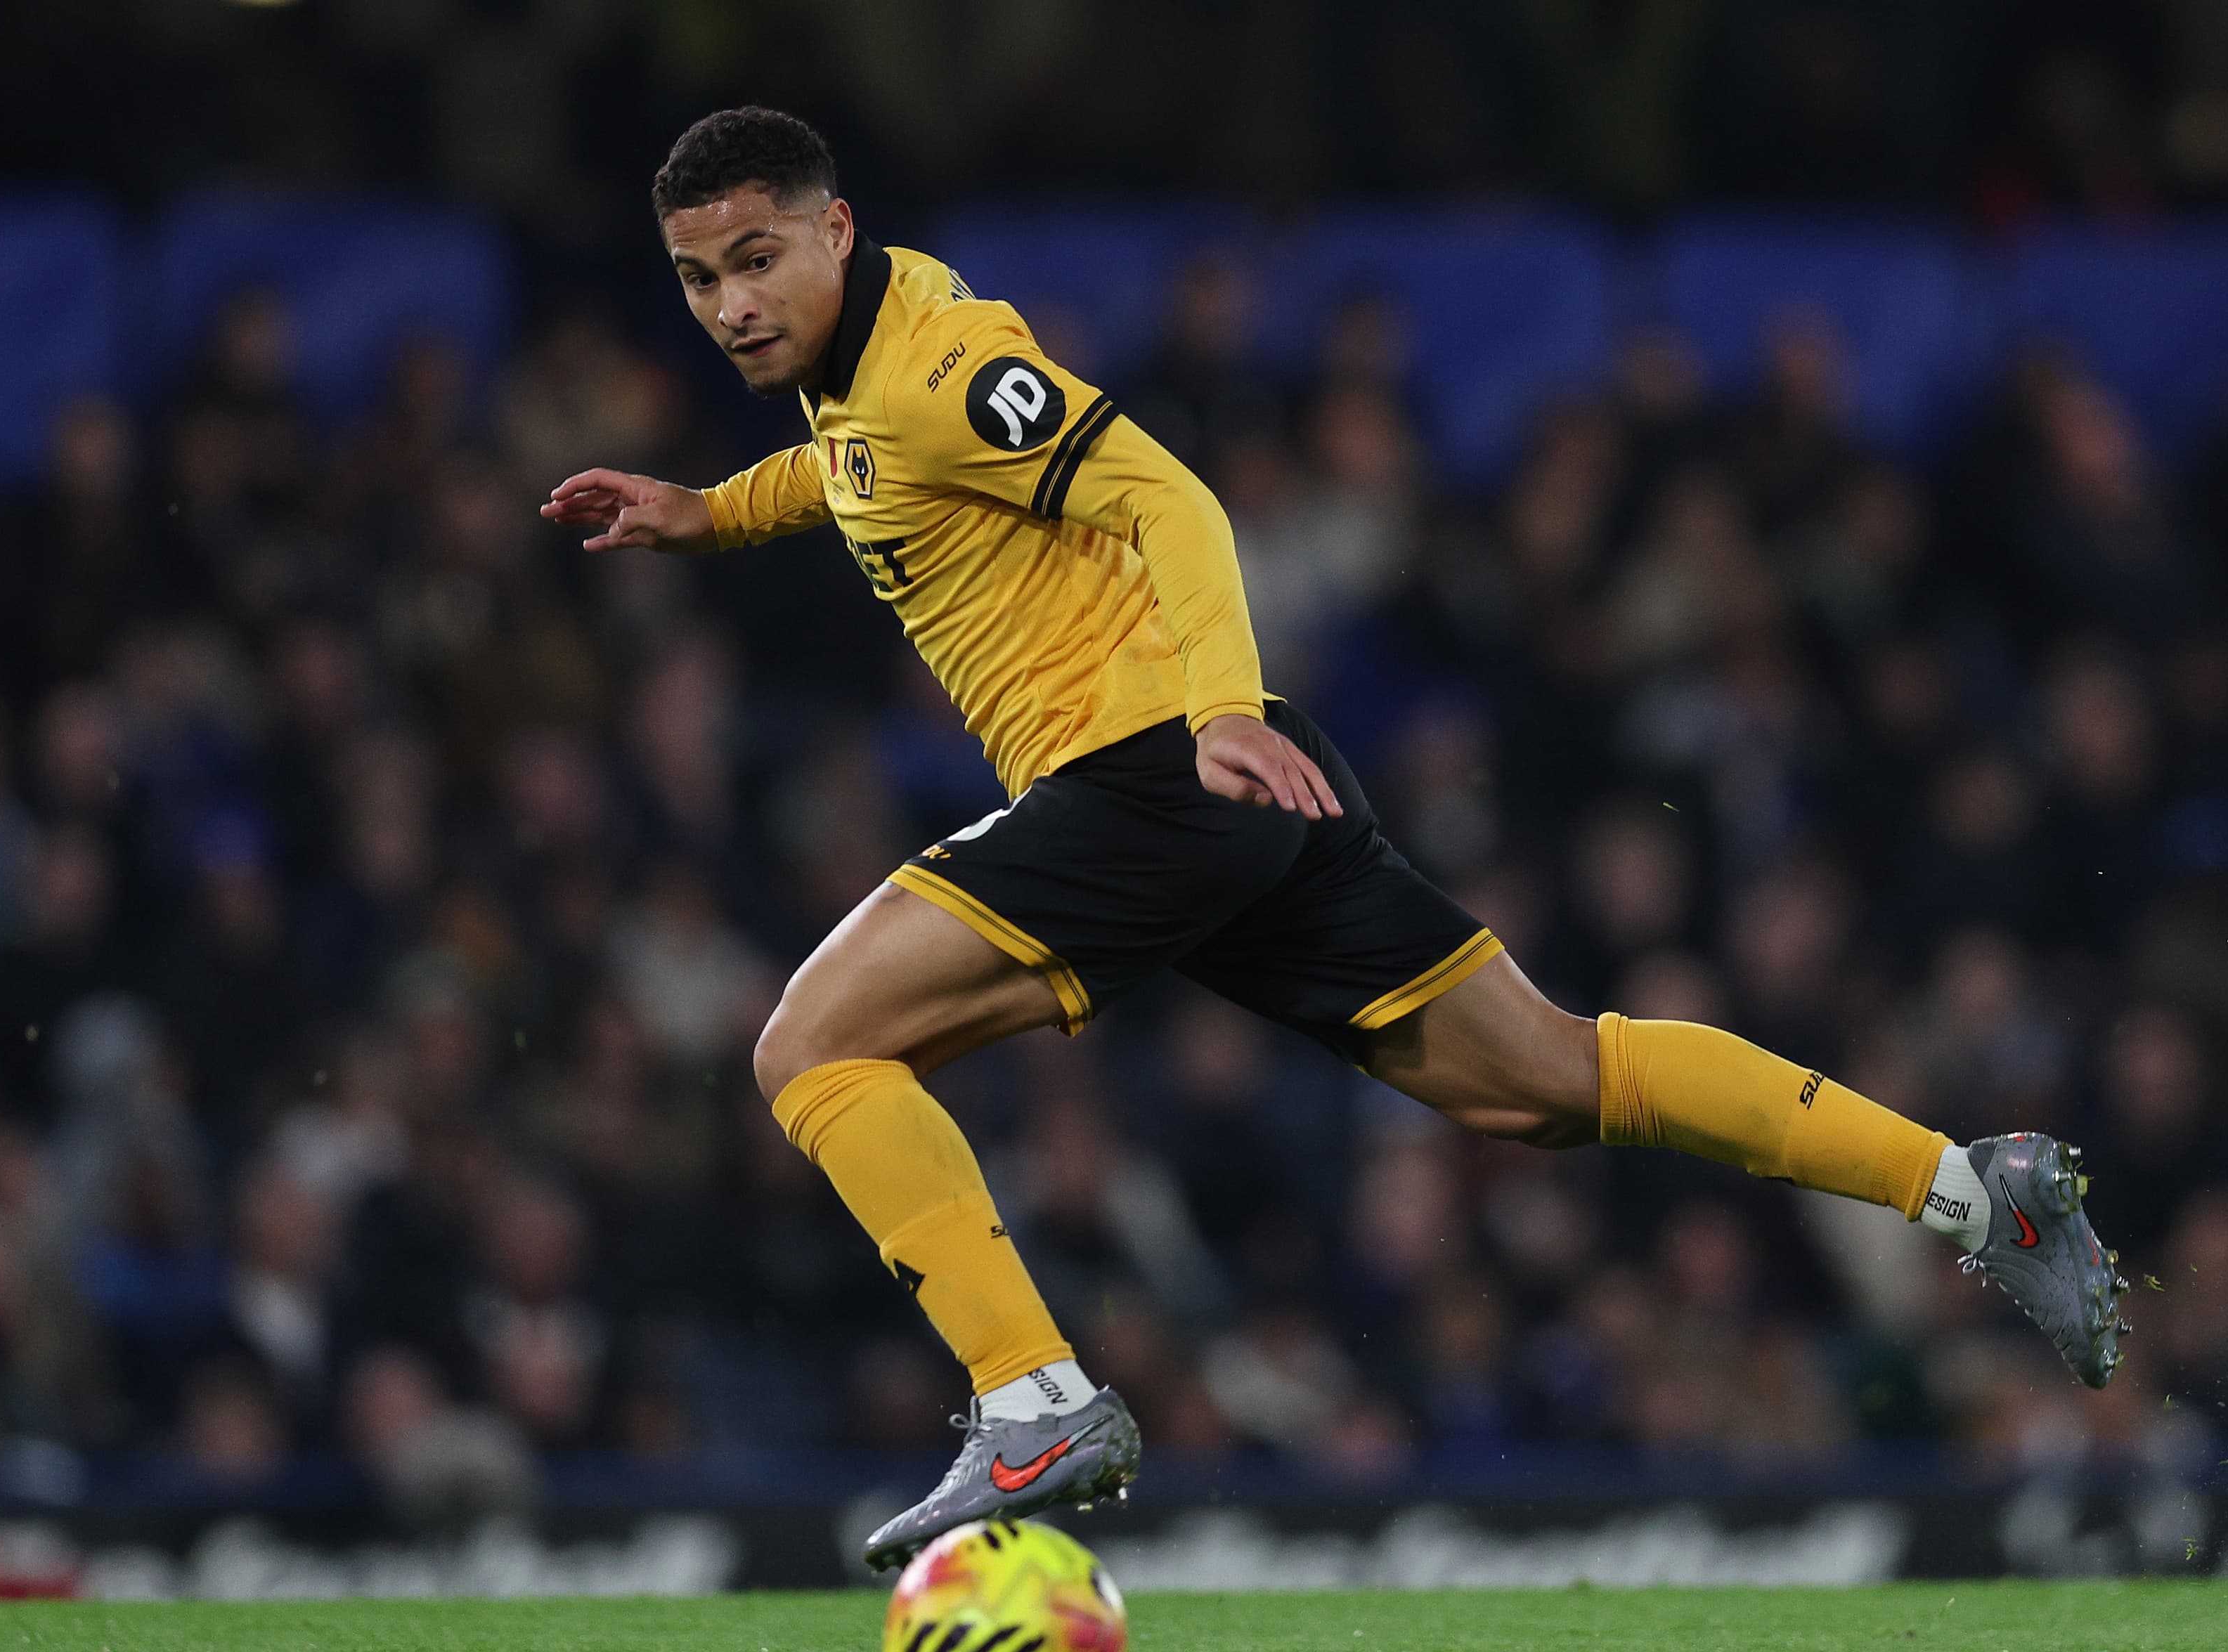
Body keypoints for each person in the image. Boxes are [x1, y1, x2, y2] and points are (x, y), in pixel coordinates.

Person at [543, 107, 2130, 1570]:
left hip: (1152, 772)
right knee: (1548, 1079)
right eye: (700, 279)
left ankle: (1031, 1397)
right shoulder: (870, 357)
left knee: (812, 1046)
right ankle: (1978, 1191)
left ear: (834, 230)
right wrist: (713, 511)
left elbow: (1171, 499)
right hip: (1238, 792)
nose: (733, 304)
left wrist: (1218, 709)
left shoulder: (937, 368)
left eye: (758, 259)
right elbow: (862, 472)